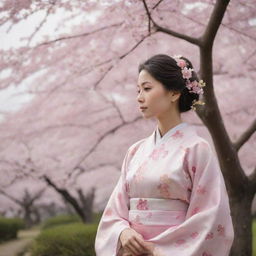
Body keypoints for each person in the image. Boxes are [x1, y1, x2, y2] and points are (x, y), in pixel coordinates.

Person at [94, 54, 234, 256]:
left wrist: (158, 249)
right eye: (138, 90)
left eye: (147, 88)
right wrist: (122, 232)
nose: (139, 97)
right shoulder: (135, 151)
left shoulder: (197, 149)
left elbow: (210, 216)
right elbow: (115, 209)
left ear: (174, 93)